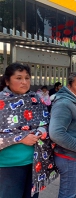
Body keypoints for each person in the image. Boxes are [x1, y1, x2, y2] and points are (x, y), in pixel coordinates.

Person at [0, 63, 58, 198]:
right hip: (8, 164)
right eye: (19, 78)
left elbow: (47, 123)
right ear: (7, 81)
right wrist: (21, 138)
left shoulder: (35, 100)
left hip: (35, 162)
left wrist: (40, 131)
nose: (24, 82)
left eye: (27, 78)